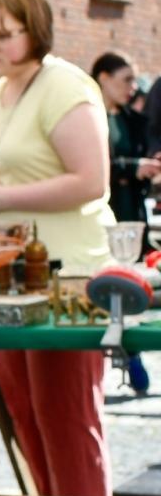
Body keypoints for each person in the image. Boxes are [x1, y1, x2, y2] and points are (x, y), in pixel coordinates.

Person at [0, 0, 114, 496]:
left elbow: (90, 180)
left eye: (0, 34)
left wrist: (3, 199)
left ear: (34, 30)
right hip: (7, 281)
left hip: (66, 281)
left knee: (66, 421)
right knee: (25, 413)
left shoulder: (66, 85)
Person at [91, 51, 158, 394]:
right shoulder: (92, 118)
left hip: (134, 213)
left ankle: (132, 352)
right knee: (111, 288)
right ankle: (128, 357)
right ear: (103, 77)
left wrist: (149, 166)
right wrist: (132, 167)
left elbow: (141, 153)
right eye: (126, 80)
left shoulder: (133, 119)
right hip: (106, 214)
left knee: (137, 285)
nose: (132, 87)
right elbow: (98, 165)